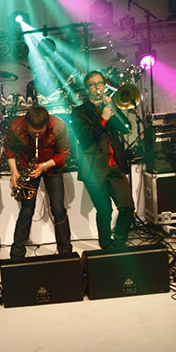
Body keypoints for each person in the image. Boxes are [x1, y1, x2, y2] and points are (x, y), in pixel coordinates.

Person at [70, 71, 135, 249]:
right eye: (92, 84)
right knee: (105, 210)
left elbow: (126, 128)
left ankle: (120, 240)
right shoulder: (79, 112)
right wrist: (103, 119)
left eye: (100, 83)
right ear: (87, 89)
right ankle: (106, 246)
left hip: (115, 165)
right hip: (94, 168)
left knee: (128, 206)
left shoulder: (110, 106)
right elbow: (85, 138)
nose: (97, 87)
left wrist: (114, 110)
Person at [4, 106, 73, 258]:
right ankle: (17, 254)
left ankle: (66, 253)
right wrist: (14, 172)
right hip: (27, 167)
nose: (36, 135)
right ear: (26, 124)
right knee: (27, 210)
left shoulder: (58, 125)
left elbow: (64, 154)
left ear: (47, 124)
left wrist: (44, 166)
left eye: (40, 132)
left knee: (58, 209)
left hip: (51, 166)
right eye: (33, 132)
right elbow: (9, 149)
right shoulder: (15, 126)